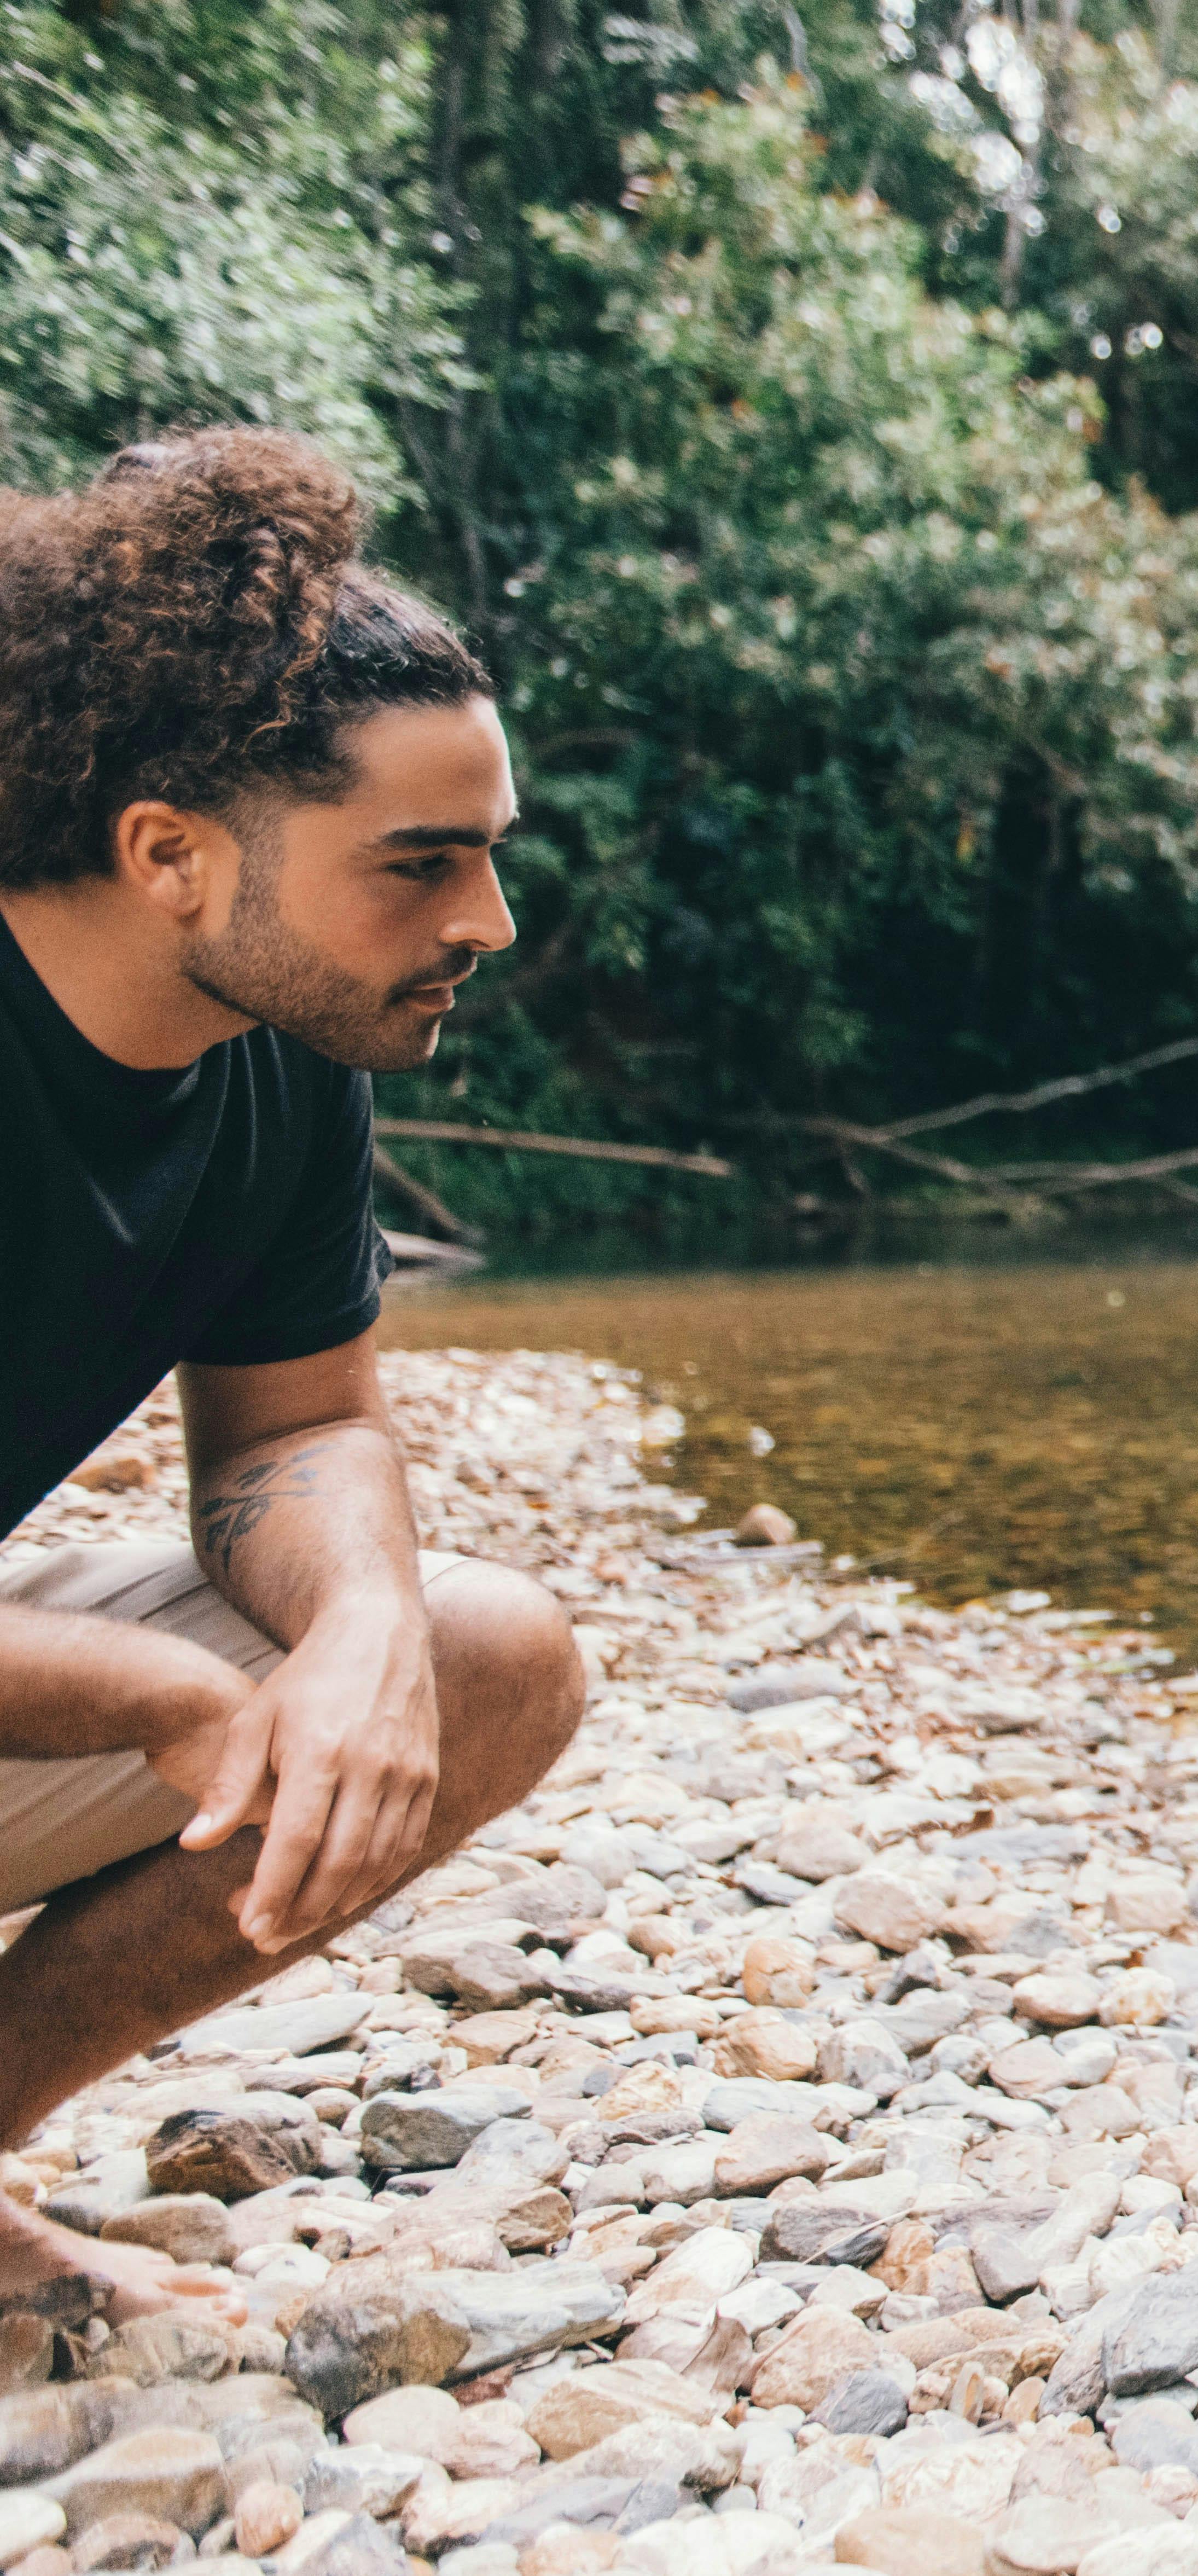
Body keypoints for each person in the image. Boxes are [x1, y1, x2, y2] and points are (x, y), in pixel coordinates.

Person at [0, 430, 587, 2329]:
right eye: (420, 865)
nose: (486, 923)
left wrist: (361, 1628)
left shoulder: (286, 1053)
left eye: (487, 856)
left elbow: (300, 1424)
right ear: (169, 852)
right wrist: (163, 1692)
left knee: (481, 1654)